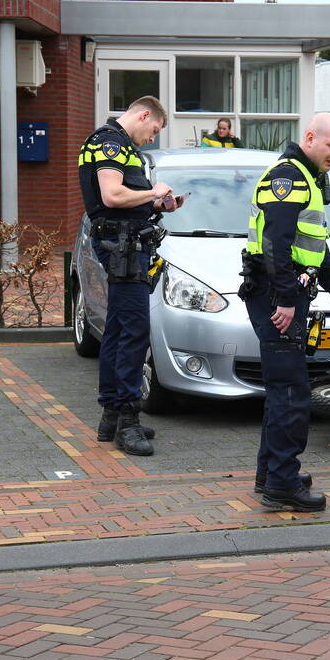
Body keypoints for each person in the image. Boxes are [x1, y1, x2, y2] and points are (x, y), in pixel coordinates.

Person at [239, 113, 330, 512]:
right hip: (276, 294)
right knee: (292, 392)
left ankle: (272, 473)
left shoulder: (308, 177)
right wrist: (286, 299)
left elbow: (312, 240)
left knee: (282, 389)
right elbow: (275, 244)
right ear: (309, 138)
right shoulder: (286, 177)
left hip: (284, 292)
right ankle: (283, 486)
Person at [78, 95, 183, 457]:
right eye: (153, 130)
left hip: (129, 246)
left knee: (119, 330)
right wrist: (154, 190)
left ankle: (111, 416)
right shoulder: (110, 143)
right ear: (143, 115)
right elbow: (110, 194)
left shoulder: (119, 146)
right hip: (123, 250)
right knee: (134, 332)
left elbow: (126, 196)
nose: (152, 138)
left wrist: (156, 204)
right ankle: (127, 420)